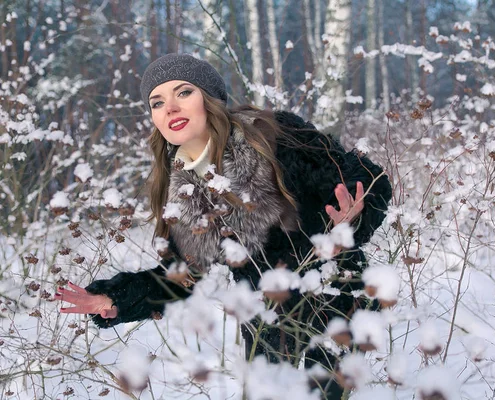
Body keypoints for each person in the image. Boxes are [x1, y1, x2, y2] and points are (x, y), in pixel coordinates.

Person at [55, 53, 392, 399]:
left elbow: (364, 177)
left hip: (334, 294)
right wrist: (116, 299)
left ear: (210, 98)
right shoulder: (180, 190)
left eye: (183, 93)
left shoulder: (273, 135)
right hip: (267, 319)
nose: (169, 108)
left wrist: (352, 213)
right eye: (157, 102)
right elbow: (182, 277)